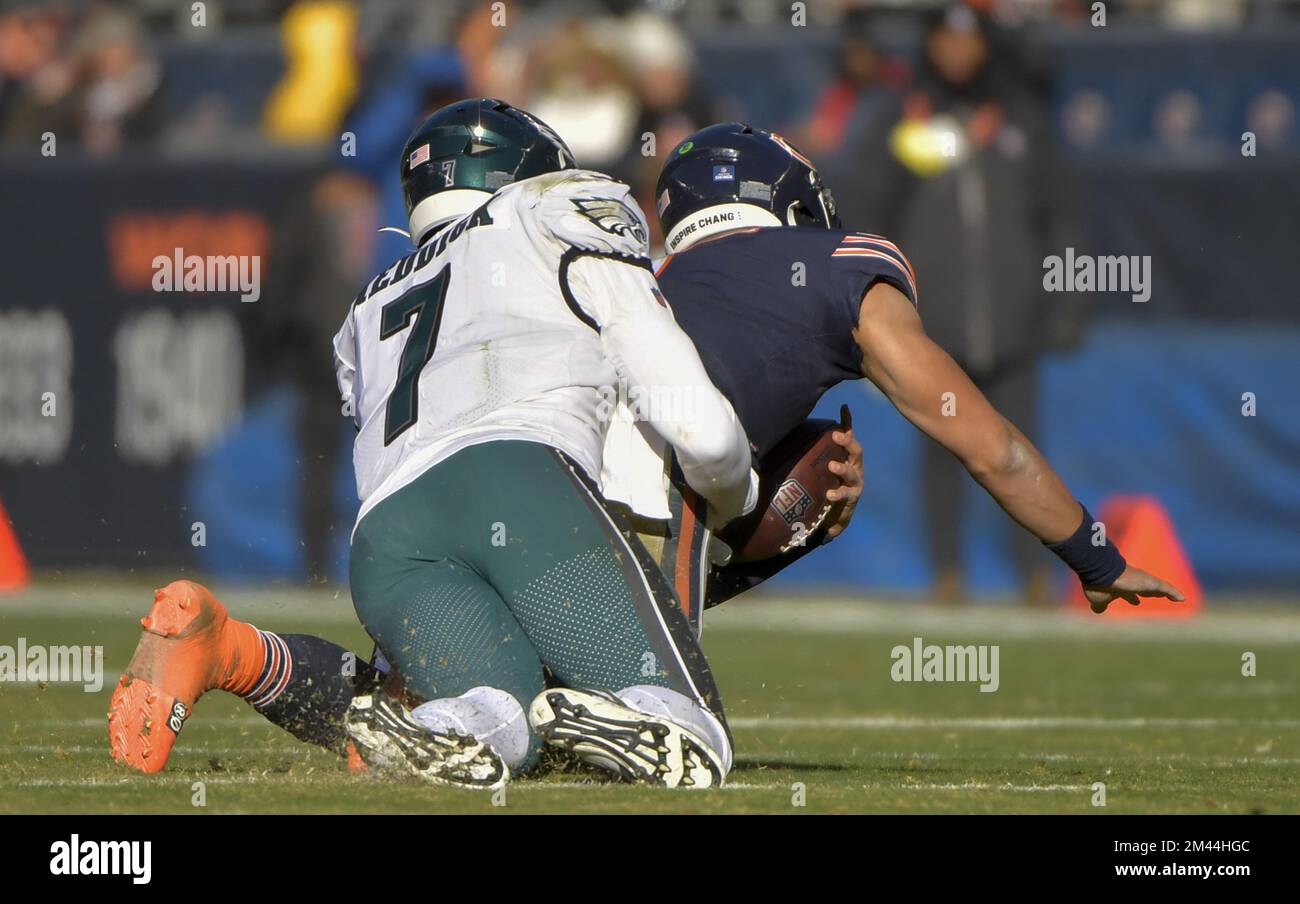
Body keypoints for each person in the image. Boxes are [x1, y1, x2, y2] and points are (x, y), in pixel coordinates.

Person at [109, 99, 758, 790]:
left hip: (388, 540)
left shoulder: (370, 303)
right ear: (527, 171)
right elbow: (703, 430)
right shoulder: (554, 206)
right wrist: (739, 496)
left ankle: (451, 725)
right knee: (695, 732)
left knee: (498, 719)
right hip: (517, 476)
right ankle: (624, 710)